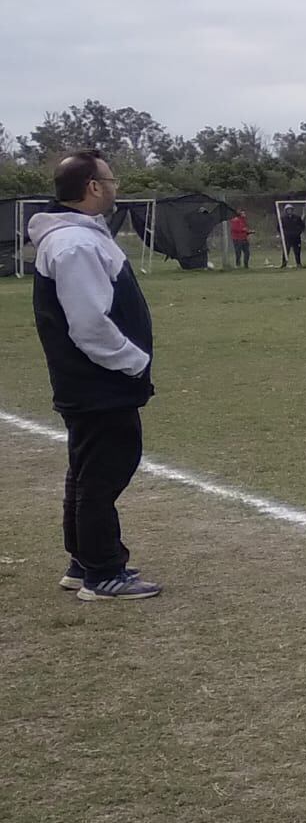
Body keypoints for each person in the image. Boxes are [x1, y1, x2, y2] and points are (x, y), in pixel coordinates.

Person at [29, 150, 161, 600]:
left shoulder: (79, 236)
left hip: (93, 382)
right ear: (91, 186)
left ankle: (84, 561)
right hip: (98, 382)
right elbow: (89, 323)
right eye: (110, 179)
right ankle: (103, 572)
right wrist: (133, 360)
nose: (114, 185)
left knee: (88, 471)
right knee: (103, 473)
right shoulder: (74, 244)